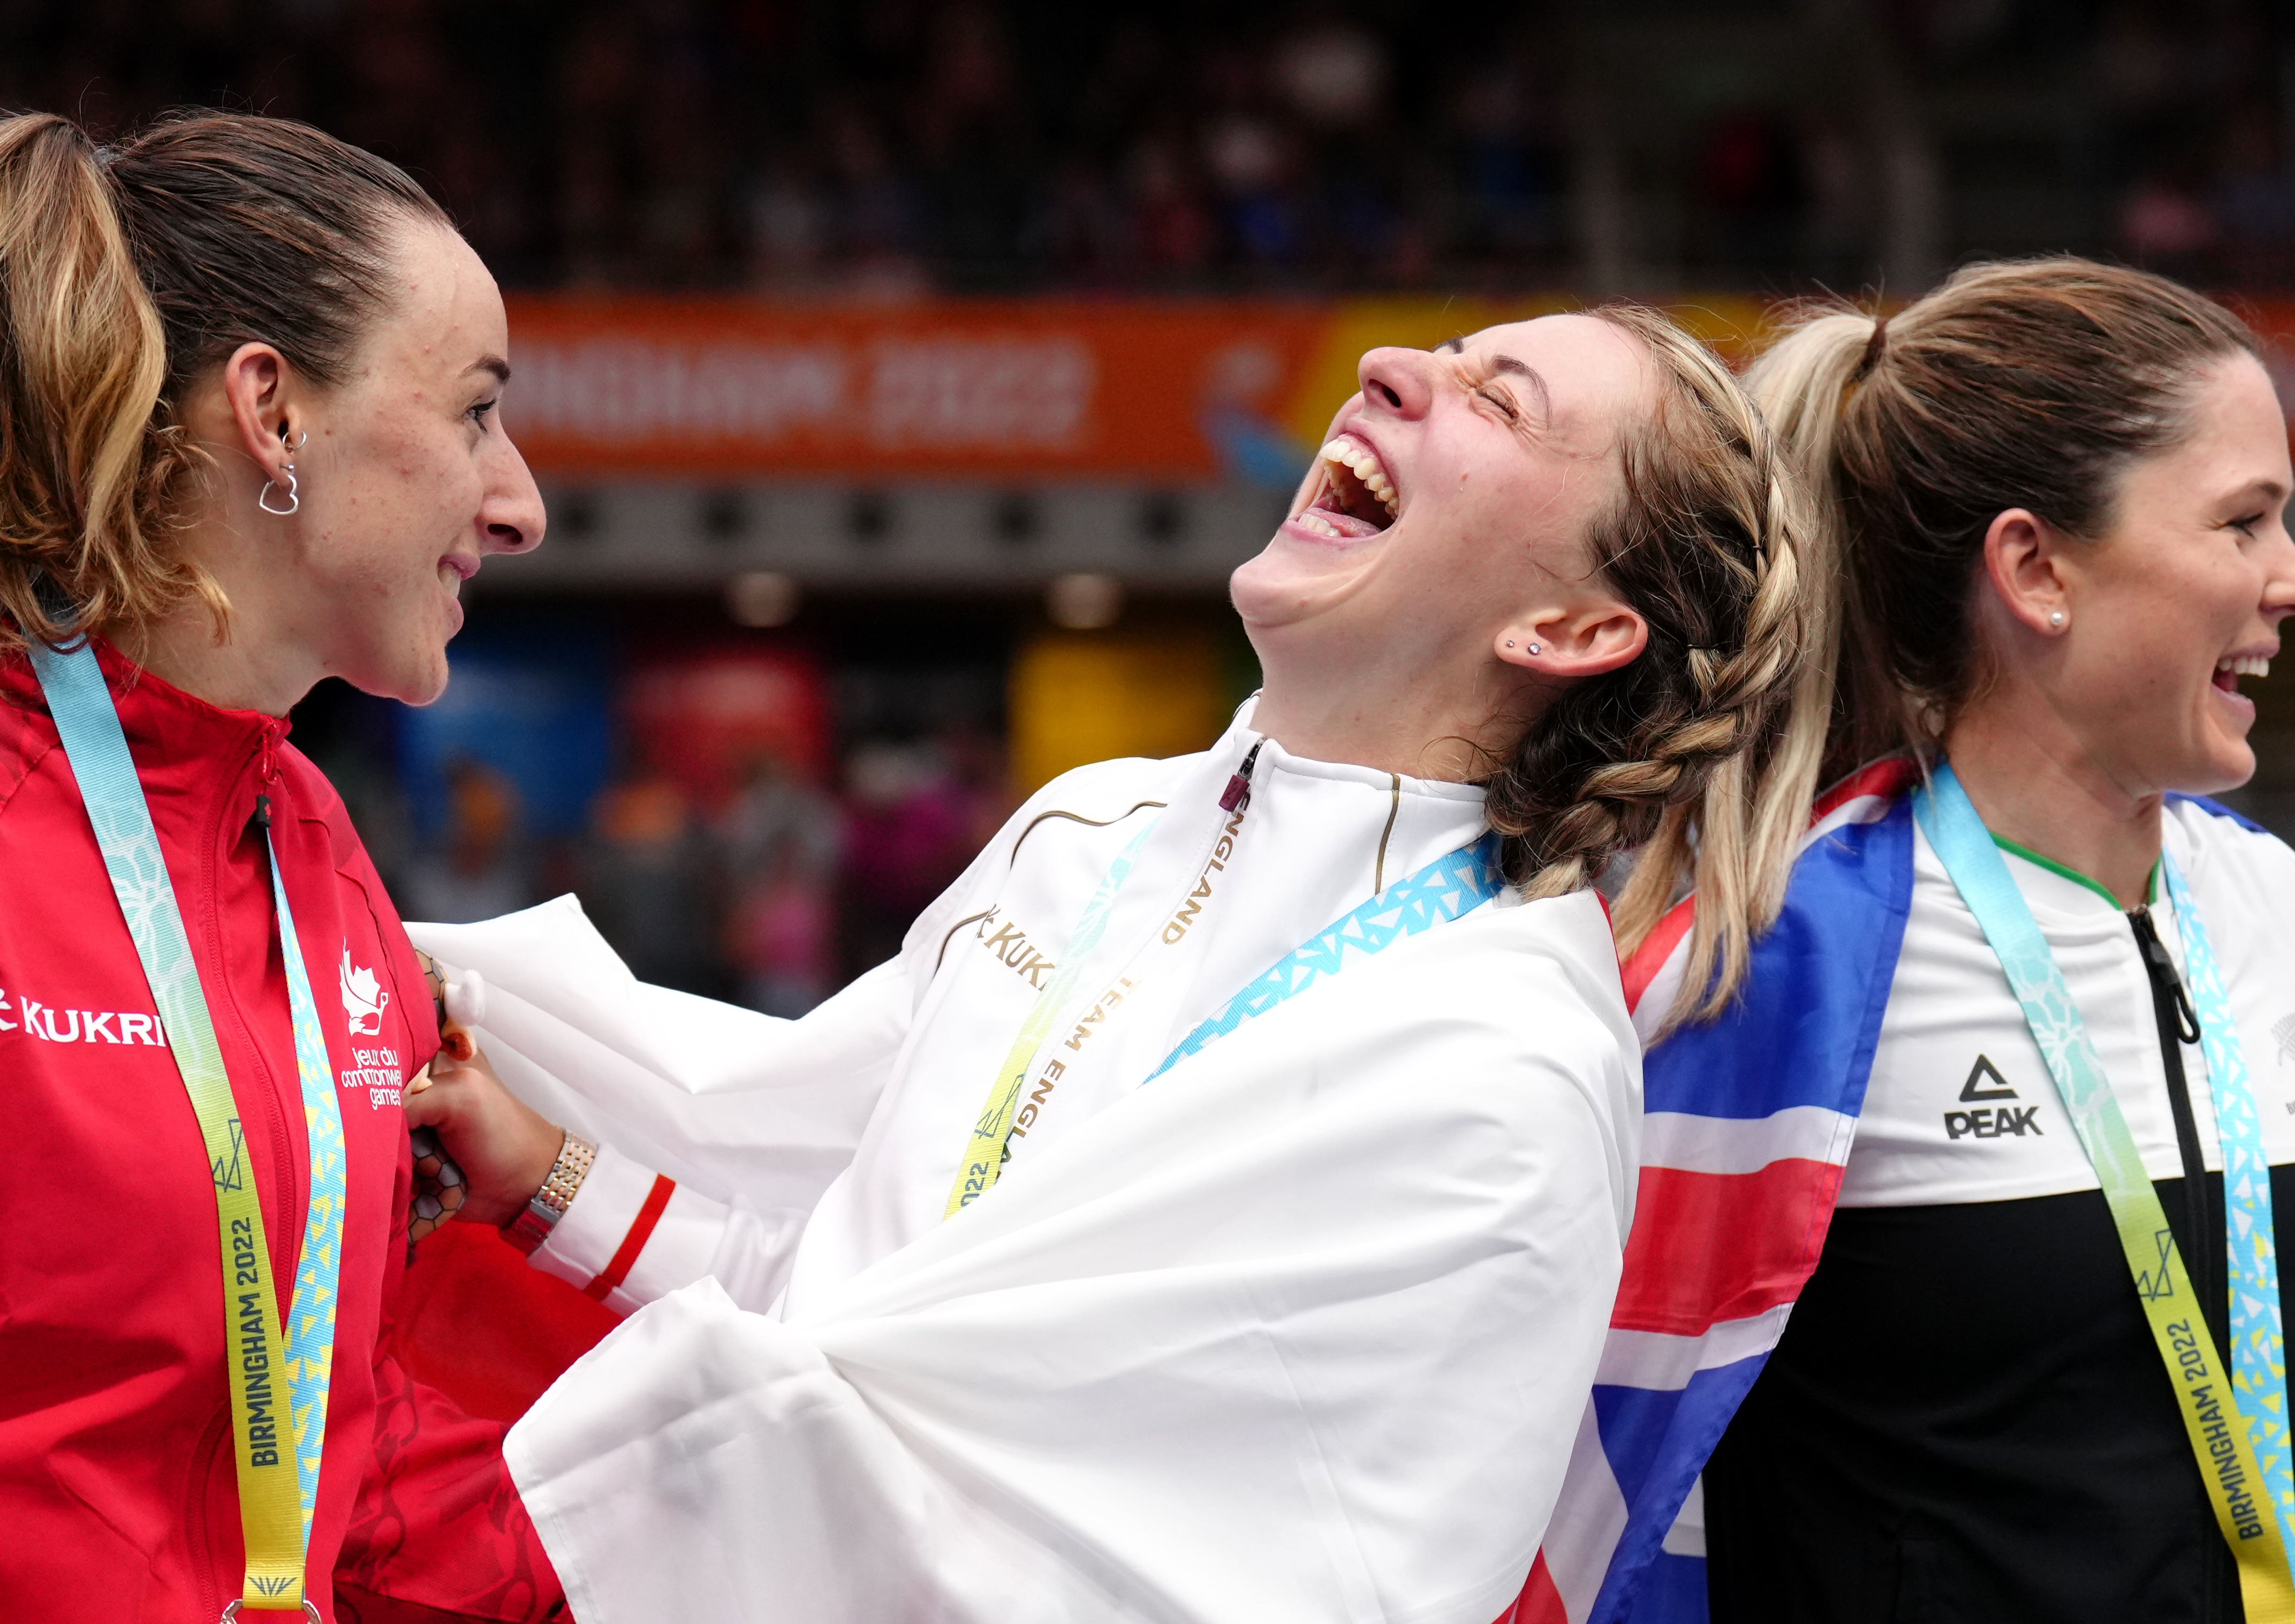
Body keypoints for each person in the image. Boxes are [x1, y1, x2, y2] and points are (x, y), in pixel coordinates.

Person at [402, 303, 1830, 1623]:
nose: (1396, 371)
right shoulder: (1089, 826)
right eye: (1441, 351)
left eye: (1499, 402)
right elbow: (845, 1299)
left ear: (1572, 629)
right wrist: (543, 1169)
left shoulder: (1496, 1055)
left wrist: (441, 1536)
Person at [1521, 258, 2295, 1624]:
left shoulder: (2265, 900)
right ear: (2033, 569)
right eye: (2241, 522)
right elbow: (1578, 1451)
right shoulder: (1779, 956)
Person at [0, 111, 562, 1621]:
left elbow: (342, 1454)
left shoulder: (312, 851)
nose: (520, 506)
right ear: (274, 411)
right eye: (475, 411)